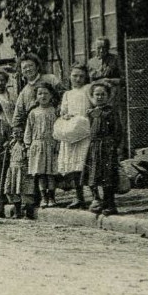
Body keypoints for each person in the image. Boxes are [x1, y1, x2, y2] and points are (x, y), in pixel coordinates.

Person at [55, 63, 94, 209]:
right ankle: (79, 197)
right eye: (74, 76)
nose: (77, 79)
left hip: (85, 131)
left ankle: (96, 196)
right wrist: (65, 115)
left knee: (86, 164)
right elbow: (63, 111)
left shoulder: (88, 89)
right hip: (72, 131)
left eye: (81, 76)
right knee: (74, 167)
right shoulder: (67, 94)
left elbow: (94, 103)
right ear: (69, 77)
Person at [85, 81, 122, 215]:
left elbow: (118, 131)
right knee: (93, 176)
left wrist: (115, 147)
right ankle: (96, 201)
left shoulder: (111, 112)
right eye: (97, 95)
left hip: (107, 148)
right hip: (94, 148)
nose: (99, 97)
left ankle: (109, 204)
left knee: (108, 178)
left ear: (108, 96)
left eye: (103, 94)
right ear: (92, 96)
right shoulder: (91, 113)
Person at [24, 82, 61, 208]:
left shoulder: (54, 111)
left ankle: (51, 197)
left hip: (51, 144)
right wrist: (28, 146)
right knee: (40, 173)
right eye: (40, 93)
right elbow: (28, 130)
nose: (43, 96)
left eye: (46, 93)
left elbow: (58, 129)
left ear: (51, 95)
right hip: (37, 145)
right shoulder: (33, 113)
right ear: (36, 97)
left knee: (50, 173)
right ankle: (43, 197)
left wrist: (58, 144)